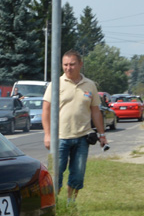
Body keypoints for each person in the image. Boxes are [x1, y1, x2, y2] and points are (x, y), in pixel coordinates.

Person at [42, 50, 107, 206]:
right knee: (55, 174)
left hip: (82, 137)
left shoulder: (90, 85)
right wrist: (47, 134)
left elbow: (95, 111)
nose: (68, 68)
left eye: (72, 64)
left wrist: (102, 134)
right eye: (65, 65)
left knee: (78, 174)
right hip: (59, 138)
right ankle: (54, 205)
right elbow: (46, 110)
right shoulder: (56, 83)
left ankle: (70, 204)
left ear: (80, 64)